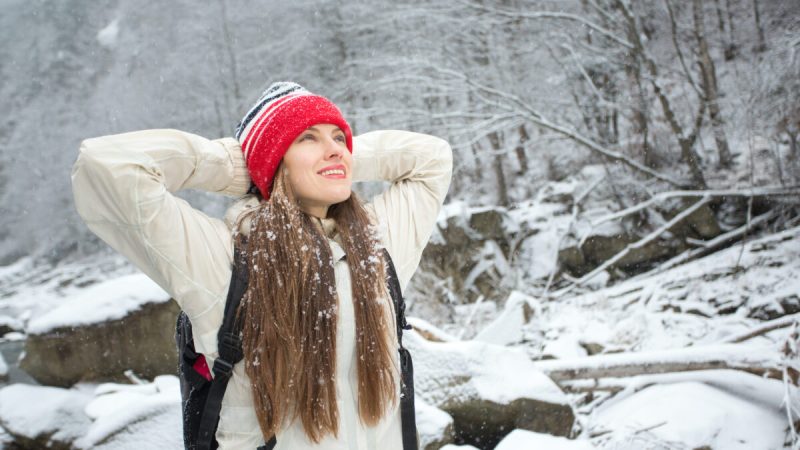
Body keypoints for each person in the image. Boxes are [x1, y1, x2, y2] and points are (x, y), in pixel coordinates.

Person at [70, 81, 453, 449]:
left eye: (339, 137)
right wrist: (248, 163)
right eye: (307, 137)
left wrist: (335, 159)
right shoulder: (224, 260)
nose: (335, 149)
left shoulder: (377, 247)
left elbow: (433, 158)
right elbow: (105, 165)